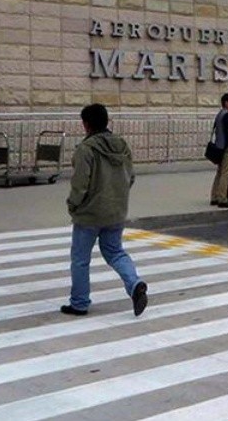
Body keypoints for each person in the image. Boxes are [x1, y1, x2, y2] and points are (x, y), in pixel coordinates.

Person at [63, 103, 147, 317]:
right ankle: (135, 284)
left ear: (86, 124)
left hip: (89, 214)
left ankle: (80, 303)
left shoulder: (86, 149)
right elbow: (132, 177)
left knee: (81, 259)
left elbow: (80, 183)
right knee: (115, 252)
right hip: (116, 212)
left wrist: (73, 204)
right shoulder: (122, 145)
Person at [210, 93, 228, 208]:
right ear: (227, 103)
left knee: (219, 172)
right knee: (226, 173)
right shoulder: (227, 115)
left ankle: (215, 197)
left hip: (219, 146)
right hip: (226, 148)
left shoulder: (219, 114)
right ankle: (222, 199)